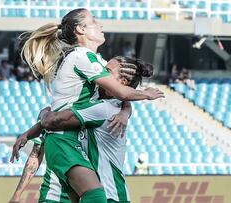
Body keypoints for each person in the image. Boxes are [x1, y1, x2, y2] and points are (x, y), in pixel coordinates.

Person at [15, 8, 164, 203]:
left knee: (90, 195)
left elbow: (118, 96)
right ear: (81, 30)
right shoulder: (82, 57)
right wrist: (146, 94)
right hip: (63, 138)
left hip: (72, 137)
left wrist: (125, 112)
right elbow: (120, 92)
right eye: (93, 21)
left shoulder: (96, 62)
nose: (100, 24)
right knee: (95, 195)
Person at [10, 56, 152, 203]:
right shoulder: (94, 103)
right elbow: (38, 149)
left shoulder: (101, 108)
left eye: (107, 71)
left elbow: (51, 121)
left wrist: (44, 114)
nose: (100, 73)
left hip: (108, 194)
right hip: (71, 193)